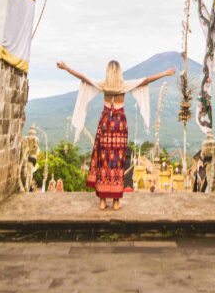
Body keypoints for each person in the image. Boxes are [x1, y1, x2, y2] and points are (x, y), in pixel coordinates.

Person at [60, 59, 174, 211]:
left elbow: (83, 77)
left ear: (107, 72)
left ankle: (102, 201)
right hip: (119, 126)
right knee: (117, 162)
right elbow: (146, 80)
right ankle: (115, 202)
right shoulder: (124, 85)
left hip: (106, 124)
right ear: (119, 72)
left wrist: (67, 68)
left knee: (104, 160)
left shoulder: (103, 85)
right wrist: (165, 73)